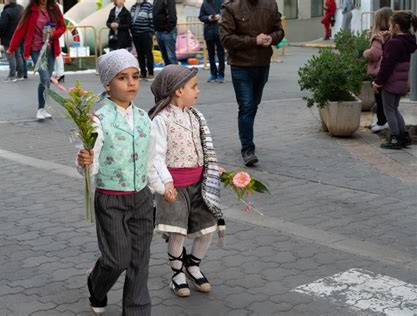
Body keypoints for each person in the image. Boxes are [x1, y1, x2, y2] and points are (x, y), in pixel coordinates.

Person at [77, 49, 162, 316]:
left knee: (140, 260)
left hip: (141, 199)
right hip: (111, 198)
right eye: (122, 78)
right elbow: (91, 160)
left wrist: (159, 186)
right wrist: (85, 162)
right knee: (117, 259)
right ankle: (96, 283)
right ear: (107, 84)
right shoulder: (99, 119)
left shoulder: (145, 118)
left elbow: (151, 160)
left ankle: (137, 311)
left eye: (135, 76)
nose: (132, 83)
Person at [148, 64, 225, 298]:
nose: (198, 91)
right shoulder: (161, 120)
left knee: (207, 228)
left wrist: (212, 167)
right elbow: (156, 156)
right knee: (177, 232)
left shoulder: (196, 116)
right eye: (194, 86)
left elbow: (203, 147)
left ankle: (193, 265)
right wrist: (166, 184)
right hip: (174, 187)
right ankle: (177, 274)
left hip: (199, 184)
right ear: (178, 91)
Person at [219, 0, 284, 166]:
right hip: (240, 66)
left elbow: (279, 31)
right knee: (247, 106)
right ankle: (248, 149)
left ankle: (246, 135)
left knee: (253, 105)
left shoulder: (270, 4)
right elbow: (226, 39)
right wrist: (254, 40)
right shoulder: (230, 7)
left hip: (262, 65)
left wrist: (272, 38)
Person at [8, 0, 66, 120]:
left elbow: (62, 27)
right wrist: (12, 48)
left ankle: (43, 108)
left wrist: (54, 34)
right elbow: (20, 30)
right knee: (45, 78)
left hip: (50, 48)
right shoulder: (31, 10)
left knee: (46, 81)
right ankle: (40, 109)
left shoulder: (54, 8)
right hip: (36, 49)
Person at [373, 12, 417, 149]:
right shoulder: (407, 41)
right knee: (394, 109)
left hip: (391, 83)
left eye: (391, 25)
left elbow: (387, 65)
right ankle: (403, 136)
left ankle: (395, 138)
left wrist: (378, 82)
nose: (389, 27)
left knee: (389, 110)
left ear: (396, 27)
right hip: (401, 82)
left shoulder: (394, 43)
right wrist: (387, 41)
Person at [363, 7, 392, 133]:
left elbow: (373, 54)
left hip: (378, 72)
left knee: (379, 100)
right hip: (388, 72)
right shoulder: (391, 35)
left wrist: (365, 53)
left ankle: (382, 122)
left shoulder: (378, 36)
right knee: (386, 101)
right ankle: (383, 121)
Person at [199, 0, 225, 83]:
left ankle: (221, 74)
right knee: (211, 54)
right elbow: (201, 16)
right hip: (208, 32)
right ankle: (213, 74)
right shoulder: (205, 3)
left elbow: (227, 14)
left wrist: (220, 16)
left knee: (221, 54)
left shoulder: (222, 2)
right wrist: (208, 18)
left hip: (219, 32)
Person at [0, 0, 24, 82]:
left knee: (11, 56)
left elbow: (3, 25)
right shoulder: (20, 8)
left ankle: (12, 75)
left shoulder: (6, 11)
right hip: (18, 36)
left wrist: (0, 35)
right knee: (18, 55)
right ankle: (20, 74)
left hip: (8, 37)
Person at [130, 0, 155, 81]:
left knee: (148, 54)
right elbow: (131, 20)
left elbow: (152, 20)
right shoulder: (133, 7)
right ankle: (143, 73)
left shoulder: (148, 6)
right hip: (135, 35)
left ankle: (151, 73)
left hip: (146, 34)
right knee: (140, 54)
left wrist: (151, 33)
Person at [153, 0, 177, 65]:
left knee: (171, 56)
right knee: (164, 56)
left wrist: (168, 28)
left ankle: (175, 74)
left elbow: (172, 15)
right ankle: (168, 73)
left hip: (167, 32)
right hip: (159, 31)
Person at [52, 0, 65, 82]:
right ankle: (58, 73)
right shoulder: (55, 5)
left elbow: (59, 21)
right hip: (55, 32)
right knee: (56, 54)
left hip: (57, 32)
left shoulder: (57, 6)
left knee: (58, 54)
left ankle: (60, 73)